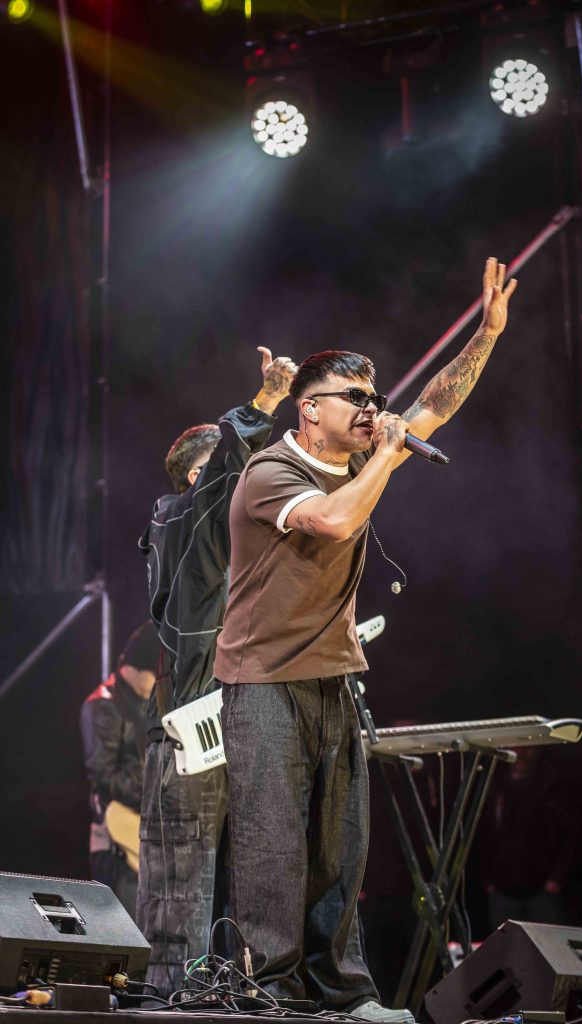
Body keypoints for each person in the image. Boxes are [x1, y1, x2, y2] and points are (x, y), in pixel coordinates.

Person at [213, 257, 517, 1021]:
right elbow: (335, 521)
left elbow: (435, 404)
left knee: (340, 849)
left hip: (334, 680)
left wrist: (486, 334)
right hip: (262, 683)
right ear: (308, 409)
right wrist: (387, 448)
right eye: (355, 397)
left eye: (375, 398)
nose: (372, 409)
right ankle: (273, 993)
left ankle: (344, 994)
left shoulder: (361, 462)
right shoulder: (270, 472)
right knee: (273, 849)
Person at [136, 347, 297, 997]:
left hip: (240, 726)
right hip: (189, 727)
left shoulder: (233, 545)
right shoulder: (179, 517)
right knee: (179, 891)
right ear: (196, 477)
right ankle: (170, 999)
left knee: (252, 884)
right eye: (234, 471)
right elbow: (228, 472)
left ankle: (243, 995)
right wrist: (266, 403)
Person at [80, 620, 159, 918]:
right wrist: (156, 790)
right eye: (154, 675)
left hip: (142, 838)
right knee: (122, 931)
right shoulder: (103, 705)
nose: (157, 684)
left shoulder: (143, 703)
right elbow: (104, 775)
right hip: (117, 845)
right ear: (137, 668)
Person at [479, 746, 582, 929]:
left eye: (526, 747)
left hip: (543, 891)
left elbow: (570, 835)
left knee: (547, 943)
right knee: (507, 945)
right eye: (516, 747)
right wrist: (488, 881)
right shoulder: (494, 787)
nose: (521, 753)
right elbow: (483, 836)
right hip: (503, 889)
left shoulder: (551, 785)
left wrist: (557, 878)